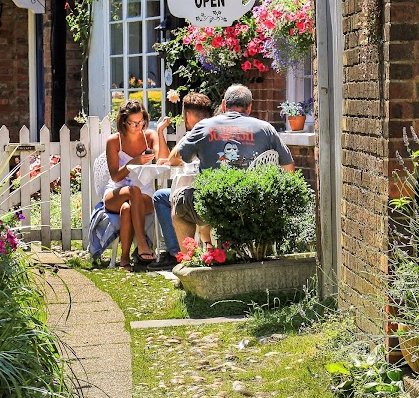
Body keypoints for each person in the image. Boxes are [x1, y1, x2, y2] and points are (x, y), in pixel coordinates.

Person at [170, 83, 295, 245]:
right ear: (249, 108)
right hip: (254, 206)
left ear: (223, 105)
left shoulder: (204, 126)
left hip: (213, 205)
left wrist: (193, 133)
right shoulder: (266, 129)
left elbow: (174, 158)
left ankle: (189, 260)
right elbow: (289, 168)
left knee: (179, 205)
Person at [146, 92, 214, 271]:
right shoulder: (217, 132)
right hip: (214, 192)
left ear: (188, 115)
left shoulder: (195, 135)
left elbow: (174, 158)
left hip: (192, 196)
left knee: (161, 197)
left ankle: (175, 253)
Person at [102, 99, 170, 270]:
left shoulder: (149, 136)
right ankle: (142, 245)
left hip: (144, 194)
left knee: (127, 208)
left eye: (141, 121)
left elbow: (164, 159)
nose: (138, 126)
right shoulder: (113, 141)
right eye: (133, 123)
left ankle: (124, 259)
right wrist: (134, 162)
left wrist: (160, 132)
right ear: (124, 121)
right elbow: (116, 177)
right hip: (116, 192)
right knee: (132, 191)